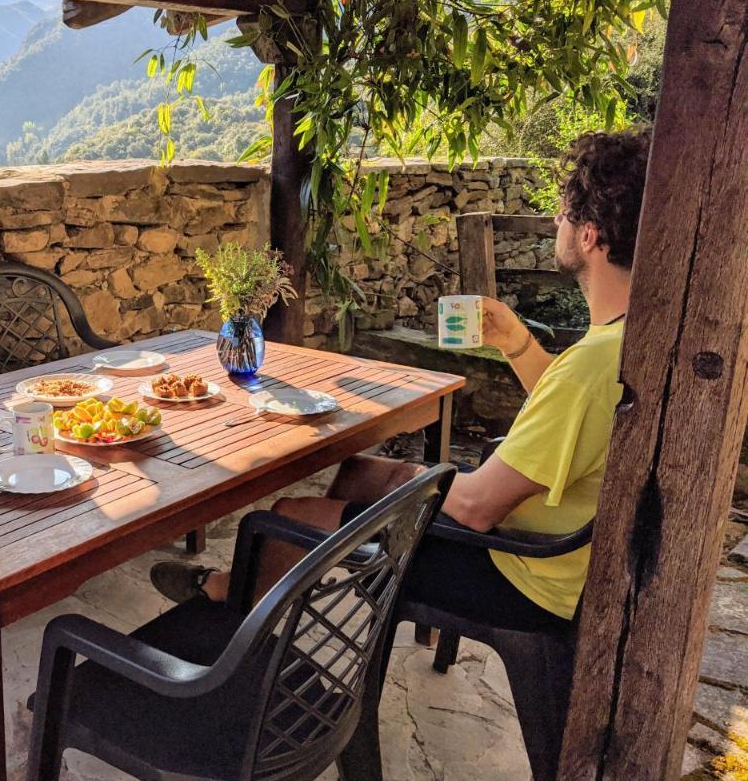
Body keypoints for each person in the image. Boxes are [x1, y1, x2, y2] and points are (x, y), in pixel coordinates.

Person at [151, 127, 652, 630]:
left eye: (565, 213)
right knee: (356, 474)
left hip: (513, 570)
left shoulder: (590, 366)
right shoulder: (627, 342)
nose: (556, 222)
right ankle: (275, 593)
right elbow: (571, 411)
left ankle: (230, 616)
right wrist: (515, 342)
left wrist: (421, 478)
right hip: (555, 552)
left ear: (590, 236)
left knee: (286, 515)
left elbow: (477, 508)